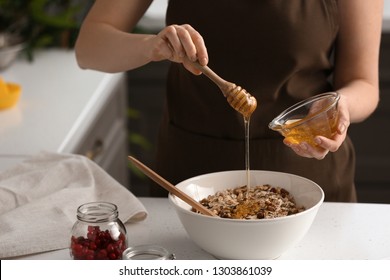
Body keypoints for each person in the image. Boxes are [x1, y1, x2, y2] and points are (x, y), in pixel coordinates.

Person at [75, 0, 383, 202]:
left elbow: (364, 84)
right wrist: (152, 46)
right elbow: (89, 47)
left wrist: (340, 105)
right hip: (189, 182)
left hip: (308, 183)